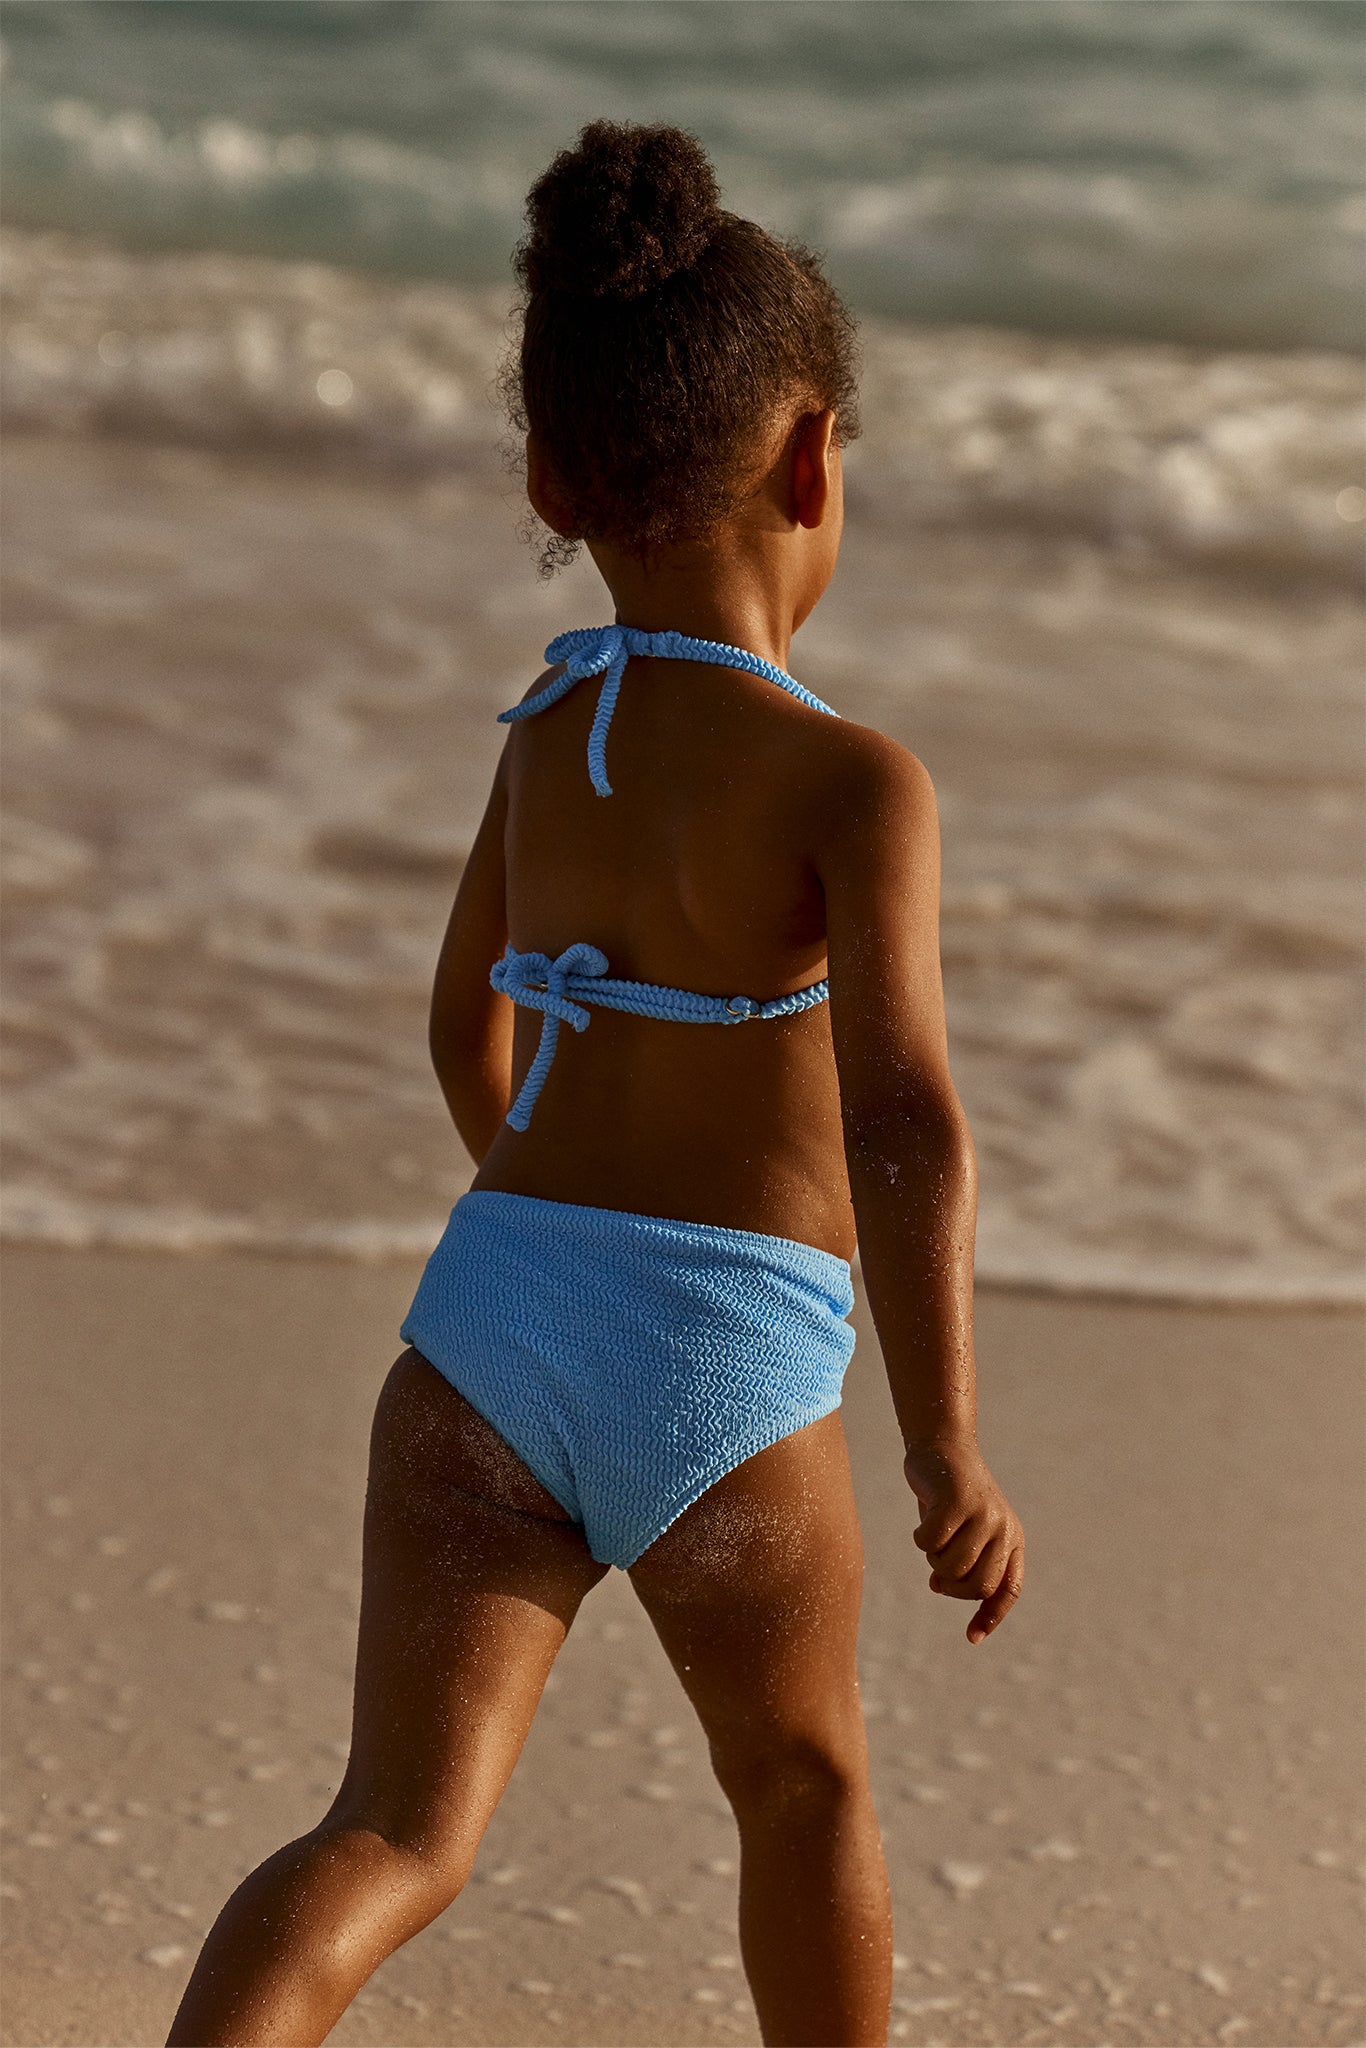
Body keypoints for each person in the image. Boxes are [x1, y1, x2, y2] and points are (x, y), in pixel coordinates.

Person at [168, 119, 1024, 2048]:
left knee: (391, 1829)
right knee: (798, 1792)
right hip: (723, 1352)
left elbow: (464, 1020)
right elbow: (904, 1124)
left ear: (555, 474)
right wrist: (943, 1442)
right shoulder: (850, 779)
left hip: (490, 1324)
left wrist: (547, 1229)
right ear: (815, 459)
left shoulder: (548, 726)